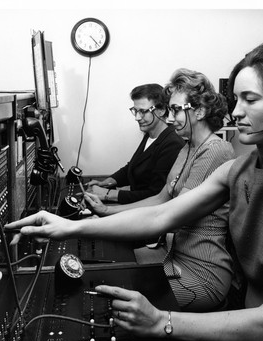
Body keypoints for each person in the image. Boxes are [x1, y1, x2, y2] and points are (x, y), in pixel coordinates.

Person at [6, 42, 263, 341]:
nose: (236, 111)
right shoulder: (240, 167)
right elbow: (160, 216)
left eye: (250, 99)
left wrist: (161, 321)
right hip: (247, 333)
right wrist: (69, 227)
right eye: (235, 99)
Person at [85, 68, 236, 312]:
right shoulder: (187, 148)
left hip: (203, 273)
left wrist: (88, 225)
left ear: (199, 110)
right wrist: (105, 210)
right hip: (174, 260)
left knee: (119, 302)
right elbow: (159, 199)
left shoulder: (217, 150)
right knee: (108, 279)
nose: (170, 117)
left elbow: (170, 217)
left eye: (176, 110)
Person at [86, 84, 184, 204]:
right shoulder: (150, 133)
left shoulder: (172, 144)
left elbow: (156, 195)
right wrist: (106, 182)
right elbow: (133, 167)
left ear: (161, 110)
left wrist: (107, 194)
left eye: (143, 111)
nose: (137, 117)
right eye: (135, 111)